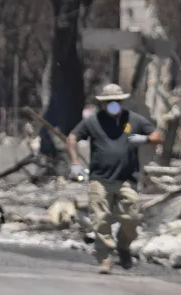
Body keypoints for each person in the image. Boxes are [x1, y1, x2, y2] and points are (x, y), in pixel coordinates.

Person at [68, 83, 163, 274]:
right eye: (108, 102)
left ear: (121, 102)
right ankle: (106, 259)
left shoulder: (133, 120)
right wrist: (75, 163)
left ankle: (123, 246)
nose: (112, 105)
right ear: (102, 103)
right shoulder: (93, 121)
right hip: (99, 179)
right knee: (100, 219)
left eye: (116, 101)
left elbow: (157, 135)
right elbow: (72, 137)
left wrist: (145, 139)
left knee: (132, 218)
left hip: (127, 179)